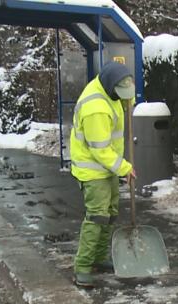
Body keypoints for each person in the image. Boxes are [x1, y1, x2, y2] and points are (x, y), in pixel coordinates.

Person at [70, 62, 136, 288]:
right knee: (97, 215)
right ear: (110, 87)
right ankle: (83, 266)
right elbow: (99, 149)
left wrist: (129, 97)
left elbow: (126, 99)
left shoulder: (112, 92)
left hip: (108, 167)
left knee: (110, 213)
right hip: (93, 169)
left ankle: (98, 258)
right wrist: (124, 167)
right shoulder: (95, 107)